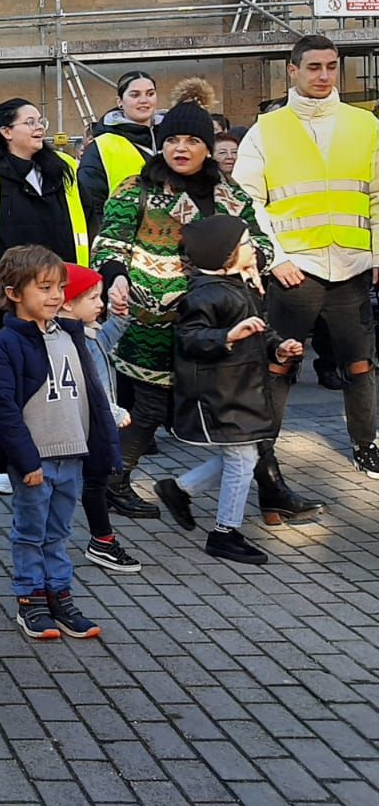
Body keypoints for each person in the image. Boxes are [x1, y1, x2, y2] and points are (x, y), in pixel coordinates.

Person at [91, 79, 280, 520]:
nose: (180, 148)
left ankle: (256, 487)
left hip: (219, 319)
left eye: (192, 140)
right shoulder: (138, 187)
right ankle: (114, 482)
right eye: (173, 138)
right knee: (152, 406)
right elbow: (110, 241)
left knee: (234, 408)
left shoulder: (229, 193)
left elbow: (262, 245)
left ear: (207, 148)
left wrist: (251, 264)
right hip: (152, 321)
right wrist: (115, 277)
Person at [234, 34, 379, 485]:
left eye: (331, 67)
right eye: (314, 67)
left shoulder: (366, 125)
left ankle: (366, 445)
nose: (323, 76)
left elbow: (376, 195)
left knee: (359, 364)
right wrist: (275, 258)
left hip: (352, 265)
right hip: (296, 269)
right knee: (280, 362)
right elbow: (247, 201)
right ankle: (263, 450)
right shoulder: (266, 129)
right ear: (292, 71)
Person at [0, 245, 118, 642]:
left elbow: (91, 398)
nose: (56, 296)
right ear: (15, 293)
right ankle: (30, 599)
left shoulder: (71, 337)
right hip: (35, 461)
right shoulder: (1, 347)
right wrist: (26, 460)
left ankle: (60, 594)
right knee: (30, 532)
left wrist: (101, 450)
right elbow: (0, 412)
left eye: (60, 288)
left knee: (58, 533)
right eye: (45, 288)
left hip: (72, 455)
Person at [158, 216, 302, 565]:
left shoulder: (242, 286)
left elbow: (260, 331)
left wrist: (278, 348)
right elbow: (189, 338)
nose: (253, 247)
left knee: (244, 456)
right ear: (225, 254)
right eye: (247, 243)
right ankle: (225, 533)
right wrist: (226, 336)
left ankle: (179, 489)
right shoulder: (205, 294)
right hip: (219, 393)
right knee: (241, 459)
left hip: (242, 389)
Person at [0, 98, 89, 338]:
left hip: (63, 293)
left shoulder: (62, 170)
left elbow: (88, 218)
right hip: (10, 302)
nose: (39, 127)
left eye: (41, 121)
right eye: (29, 122)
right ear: (6, 131)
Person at [56, 265, 141, 574]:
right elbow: (87, 385)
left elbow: (107, 339)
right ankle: (100, 542)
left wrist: (120, 315)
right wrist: (112, 412)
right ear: (67, 302)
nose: (100, 304)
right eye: (92, 298)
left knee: (95, 480)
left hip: (93, 426)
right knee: (91, 481)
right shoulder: (70, 340)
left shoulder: (87, 333)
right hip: (86, 427)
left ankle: (101, 540)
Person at [79, 71, 160, 237]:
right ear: (120, 102)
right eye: (135, 95)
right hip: (123, 244)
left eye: (150, 94)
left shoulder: (172, 139)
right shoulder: (102, 146)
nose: (144, 100)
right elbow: (91, 207)